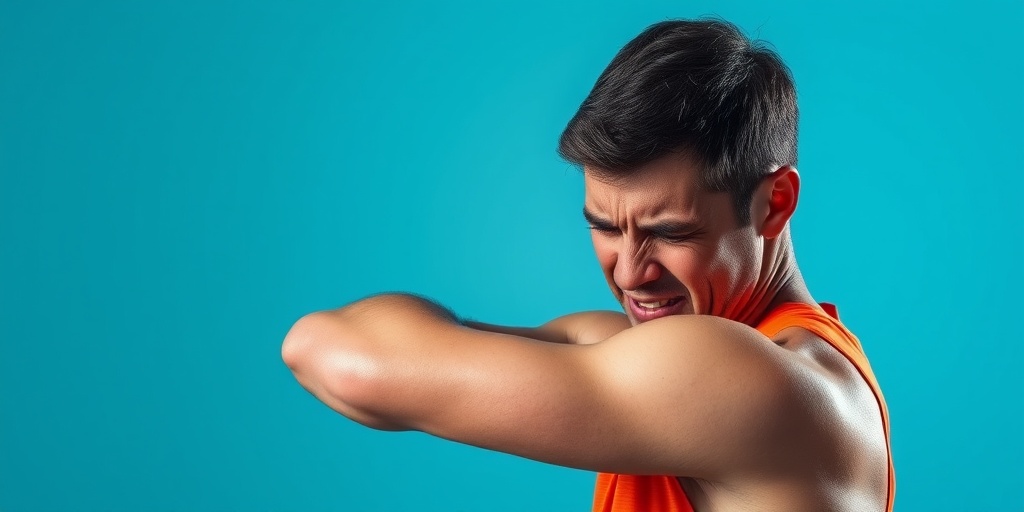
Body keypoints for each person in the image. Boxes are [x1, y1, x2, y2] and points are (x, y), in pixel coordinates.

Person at [281, 17, 894, 512]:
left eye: (669, 232)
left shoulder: (753, 386)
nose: (630, 273)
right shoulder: (758, 365)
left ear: (775, 203)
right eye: (603, 225)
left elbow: (327, 353)